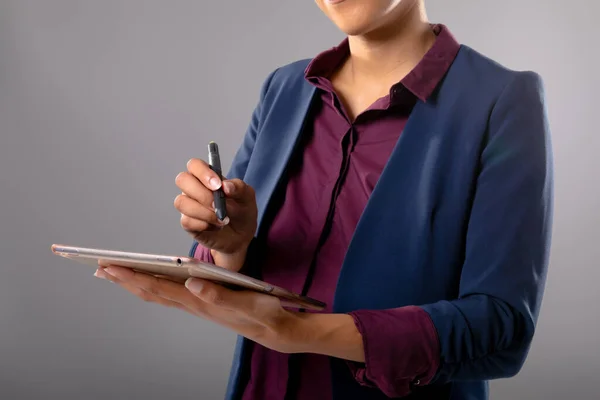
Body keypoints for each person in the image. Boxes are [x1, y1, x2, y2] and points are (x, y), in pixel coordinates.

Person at [94, 0, 553, 399]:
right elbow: (232, 262)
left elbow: (501, 326)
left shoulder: (502, 102)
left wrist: (297, 332)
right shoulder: (285, 89)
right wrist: (231, 246)